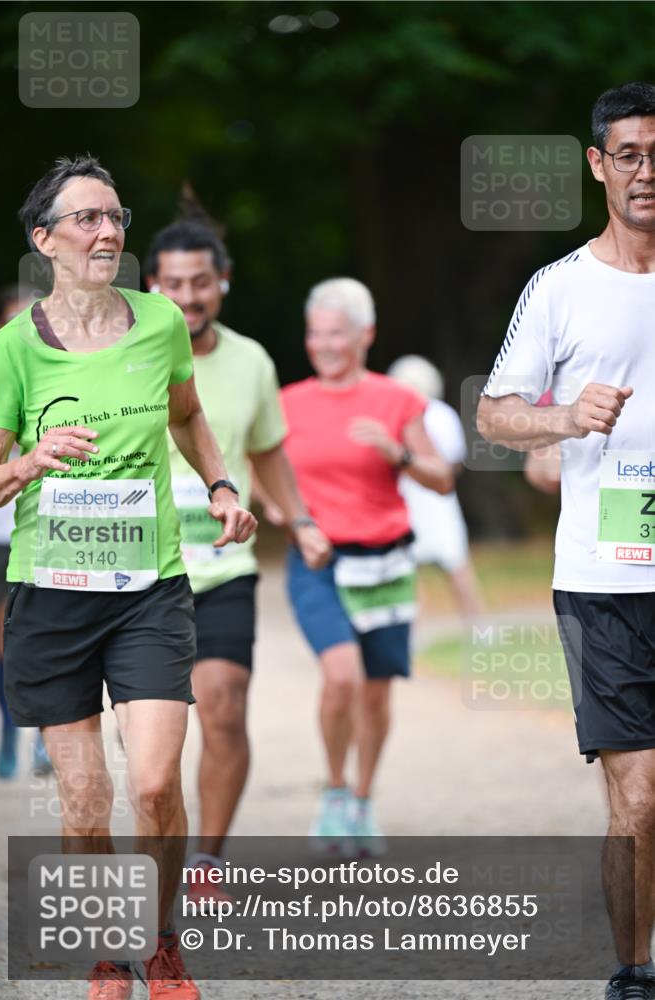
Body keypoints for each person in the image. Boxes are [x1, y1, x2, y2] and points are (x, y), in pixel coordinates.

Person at [0, 155, 257, 1000]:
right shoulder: (10, 350)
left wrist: (221, 486)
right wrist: (29, 461)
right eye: (87, 219)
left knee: (152, 781)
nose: (108, 232)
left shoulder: (160, 321)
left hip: (148, 590)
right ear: (45, 241)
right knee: (82, 798)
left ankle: (162, 943)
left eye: (115, 217)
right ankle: (109, 950)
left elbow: (187, 413)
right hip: (52, 597)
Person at [477, 83, 655, 1000]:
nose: (645, 172)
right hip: (602, 578)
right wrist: (563, 417)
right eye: (628, 155)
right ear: (597, 165)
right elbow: (493, 415)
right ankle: (635, 971)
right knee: (639, 793)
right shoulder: (558, 287)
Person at [143, 208, 331, 901]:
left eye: (200, 282)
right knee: (152, 736)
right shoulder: (126, 354)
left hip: (223, 566)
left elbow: (267, 451)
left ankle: (205, 862)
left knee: (222, 706)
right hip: (140, 571)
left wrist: (300, 520)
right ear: (151, 286)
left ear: (222, 281)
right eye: (173, 284)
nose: (187, 297)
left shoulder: (251, 360)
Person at [281, 278, 454, 854]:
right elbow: (262, 478)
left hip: (385, 562)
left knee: (376, 694)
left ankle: (362, 798)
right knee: (341, 677)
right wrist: (293, 521)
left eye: (337, 333)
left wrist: (396, 452)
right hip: (320, 560)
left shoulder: (396, 400)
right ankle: (334, 792)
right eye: (315, 334)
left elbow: (442, 478)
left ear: (365, 335)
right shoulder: (287, 403)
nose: (324, 345)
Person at [0, 285, 53, 779]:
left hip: (52, 531)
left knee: (49, 637)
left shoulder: (70, 376)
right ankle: (12, 724)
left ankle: (47, 734)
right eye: (13, 321)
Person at [387, 355, 484, 622]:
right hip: (422, 496)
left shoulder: (432, 415)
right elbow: (455, 462)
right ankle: (475, 625)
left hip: (425, 496)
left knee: (443, 562)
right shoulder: (441, 415)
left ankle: (465, 623)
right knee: (449, 562)